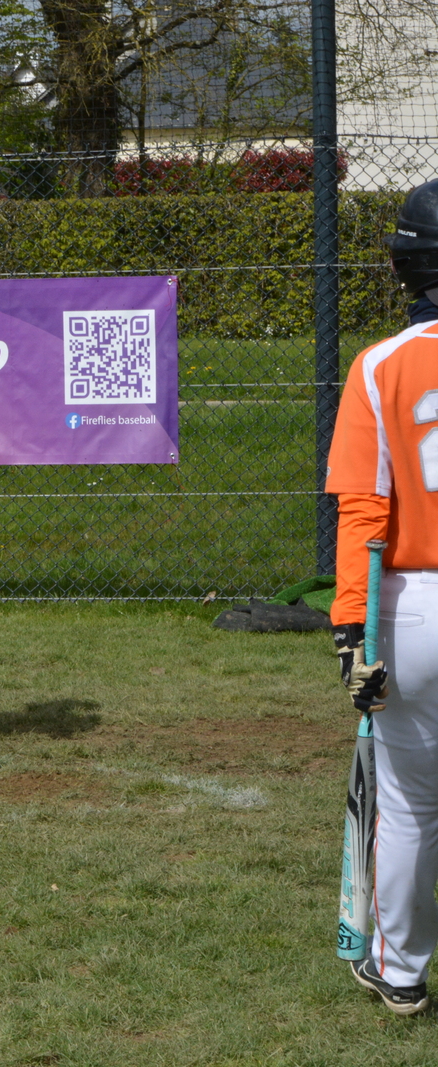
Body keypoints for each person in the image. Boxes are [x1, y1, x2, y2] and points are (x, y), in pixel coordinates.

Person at [326, 177, 438, 1015]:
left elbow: (363, 514)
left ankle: (400, 972)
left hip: (414, 606)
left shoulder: (379, 364)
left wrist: (350, 631)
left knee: (407, 801)